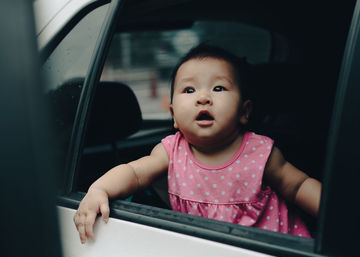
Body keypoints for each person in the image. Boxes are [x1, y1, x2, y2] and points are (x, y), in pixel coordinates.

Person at [73, 44, 321, 244]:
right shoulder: (171, 151)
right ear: (174, 116)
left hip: (272, 251)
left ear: (244, 112)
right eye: (189, 90)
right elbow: (134, 173)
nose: (203, 98)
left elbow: (298, 187)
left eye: (219, 87)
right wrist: (99, 190)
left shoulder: (260, 152)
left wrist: (337, 217)